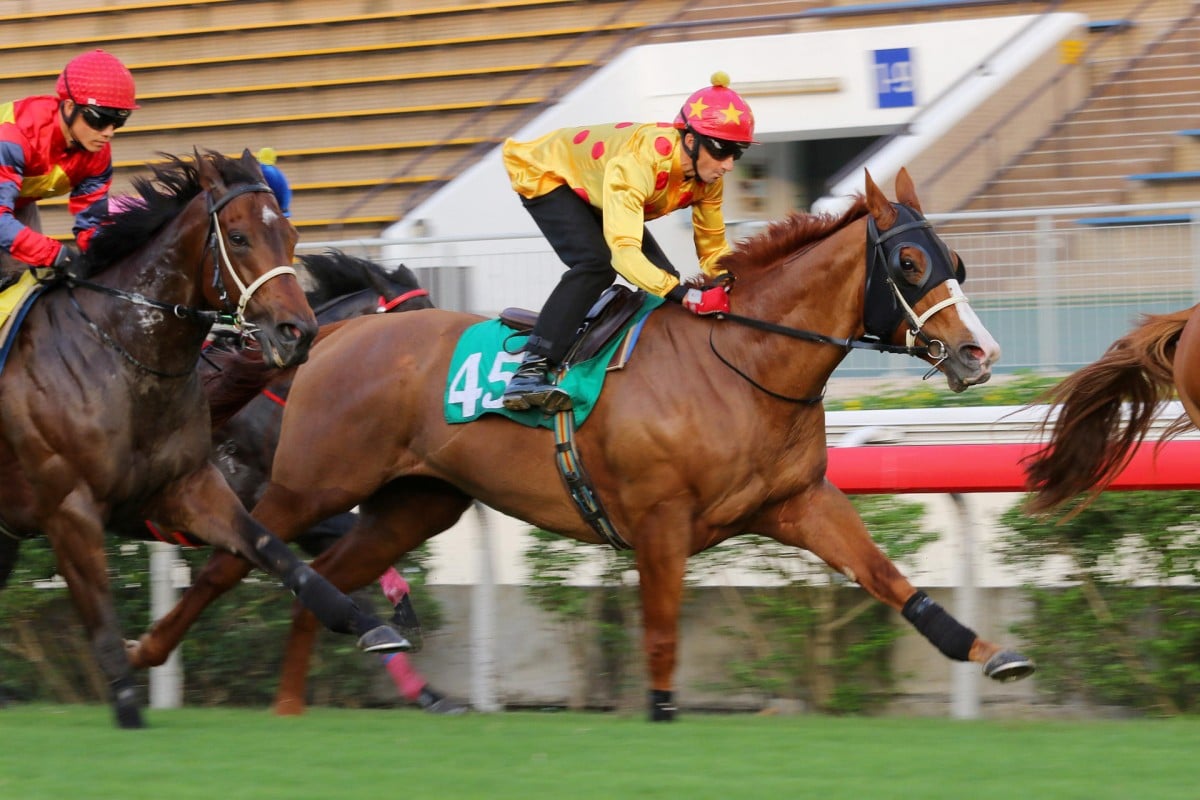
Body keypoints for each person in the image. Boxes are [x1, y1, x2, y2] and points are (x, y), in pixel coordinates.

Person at [499, 71, 754, 412]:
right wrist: (687, 295)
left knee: (665, 277)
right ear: (690, 141)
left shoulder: (709, 179)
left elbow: (712, 247)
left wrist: (728, 281)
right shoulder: (641, 161)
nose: (728, 165)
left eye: (738, 153)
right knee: (597, 265)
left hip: (599, 187)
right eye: (722, 151)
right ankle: (529, 372)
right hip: (548, 173)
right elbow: (624, 256)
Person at [0, 49, 137, 283]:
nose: (108, 133)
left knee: (25, 280)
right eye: (100, 119)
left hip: (15, 202)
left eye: (117, 122)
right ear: (70, 107)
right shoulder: (13, 136)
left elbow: (91, 225)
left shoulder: (97, 153)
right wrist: (55, 254)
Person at [255, 146, 291, 217]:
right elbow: (286, 192)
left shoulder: (261, 171)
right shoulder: (277, 172)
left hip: (269, 212)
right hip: (282, 210)